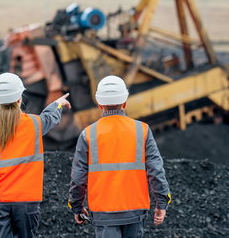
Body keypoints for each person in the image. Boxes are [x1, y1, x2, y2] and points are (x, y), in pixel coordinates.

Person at [0, 72, 71, 238]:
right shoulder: (34, 124)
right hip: (26, 201)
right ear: (20, 98)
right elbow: (50, 118)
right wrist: (58, 104)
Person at [68, 75, 171, 238]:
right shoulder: (142, 130)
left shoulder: (88, 134)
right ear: (125, 102)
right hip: (135, 210)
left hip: (104, 212)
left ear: (99, 104)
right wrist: (161, 202)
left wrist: (77, 206)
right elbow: (156, 170)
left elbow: (78, 177)